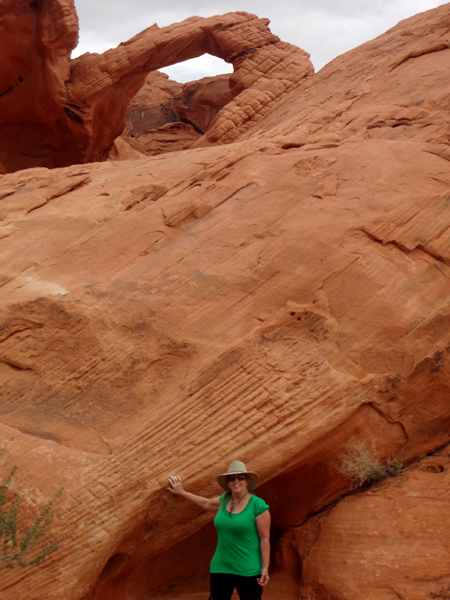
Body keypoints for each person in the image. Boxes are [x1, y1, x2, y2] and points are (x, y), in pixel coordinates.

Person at [167, 460, 270, 600]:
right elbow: (206, 503)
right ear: (228, 482)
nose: (236, 481)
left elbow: (264, 538)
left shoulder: (258, 505)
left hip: (248, 568)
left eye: (240, 477)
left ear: (247, 480)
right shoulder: (224, 500)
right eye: (231, 478)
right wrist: (182, 492)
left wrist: (265, 567)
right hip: (221, 566)